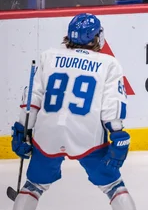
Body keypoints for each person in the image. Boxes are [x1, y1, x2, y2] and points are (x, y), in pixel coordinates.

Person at [10, 13, 136, 210]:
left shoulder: (48, 56)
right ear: (95, 37)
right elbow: (112, 104)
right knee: (113, 186)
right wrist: (117, 132)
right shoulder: (108, 64)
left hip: (48, 132)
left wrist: (21, 128)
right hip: (86, 135)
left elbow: (32, 98)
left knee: (33, 185)